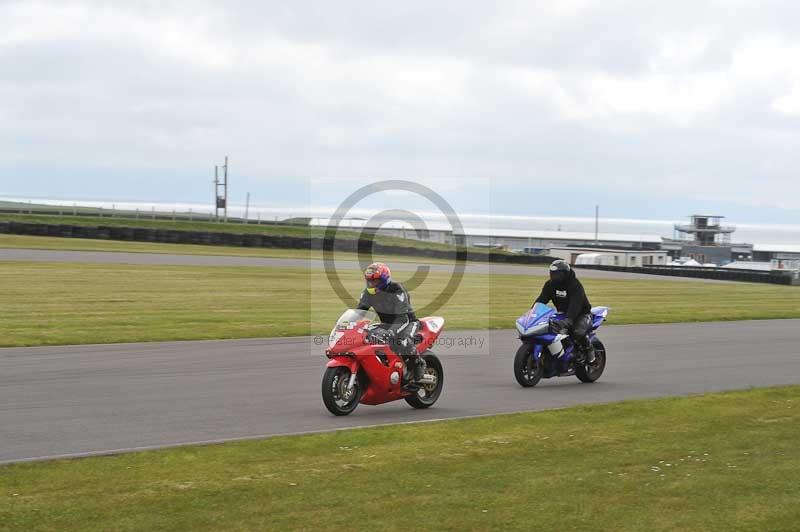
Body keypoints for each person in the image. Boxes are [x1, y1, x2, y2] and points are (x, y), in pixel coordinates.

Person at [356, 262, 426, 387]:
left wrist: (390, 332)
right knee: (367, 335)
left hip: (407, 321)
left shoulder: (397, 290)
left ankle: (418, 363)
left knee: (401, 340)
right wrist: (350, 325)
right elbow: (359, 312)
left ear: (384, 280)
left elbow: (402, 318)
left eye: (375, 281)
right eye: (369, 281)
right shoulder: (367, 293)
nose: (372, 284)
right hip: (387, 324)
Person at [534, 259, 596, 363]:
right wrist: (532, 313)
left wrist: (569, 319)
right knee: (547, 328)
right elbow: (541, 299)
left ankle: (589, 350)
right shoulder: (550, 285)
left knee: (577, 332)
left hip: (581, 314)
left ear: (565, 274)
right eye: (552, 274)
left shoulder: (575, 285)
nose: (554, 276)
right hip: (562, 313)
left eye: (557, 274)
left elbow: (575, 305)